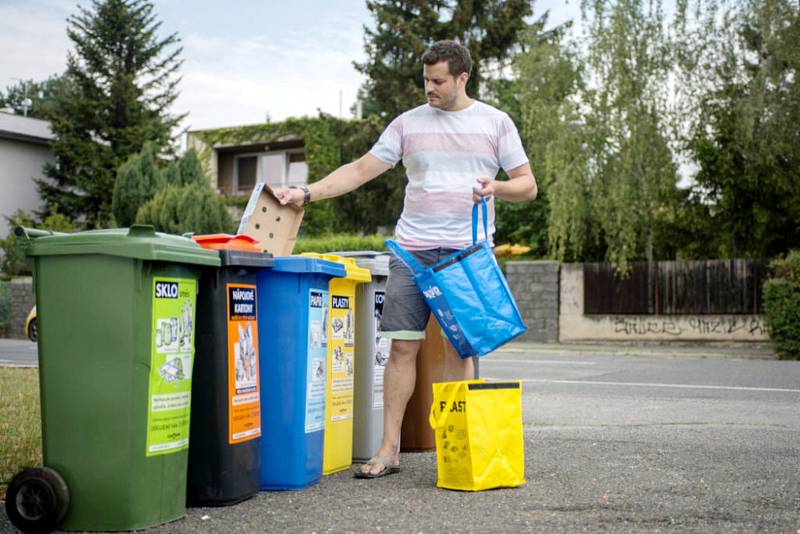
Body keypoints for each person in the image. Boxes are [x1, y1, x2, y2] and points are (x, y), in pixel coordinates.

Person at [276, 40, 537, 478]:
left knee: (460, 351)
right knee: (400, 347)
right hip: (411, 251)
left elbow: (527, 185)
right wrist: (307, 193)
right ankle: (388, 450)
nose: (429, 88)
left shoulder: (495, 123)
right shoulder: (407, 124)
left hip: (466, 254)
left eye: (438, 81)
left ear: (462, 78)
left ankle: (459, 448)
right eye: (425, 80)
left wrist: (496, 188)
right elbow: (360, 169)